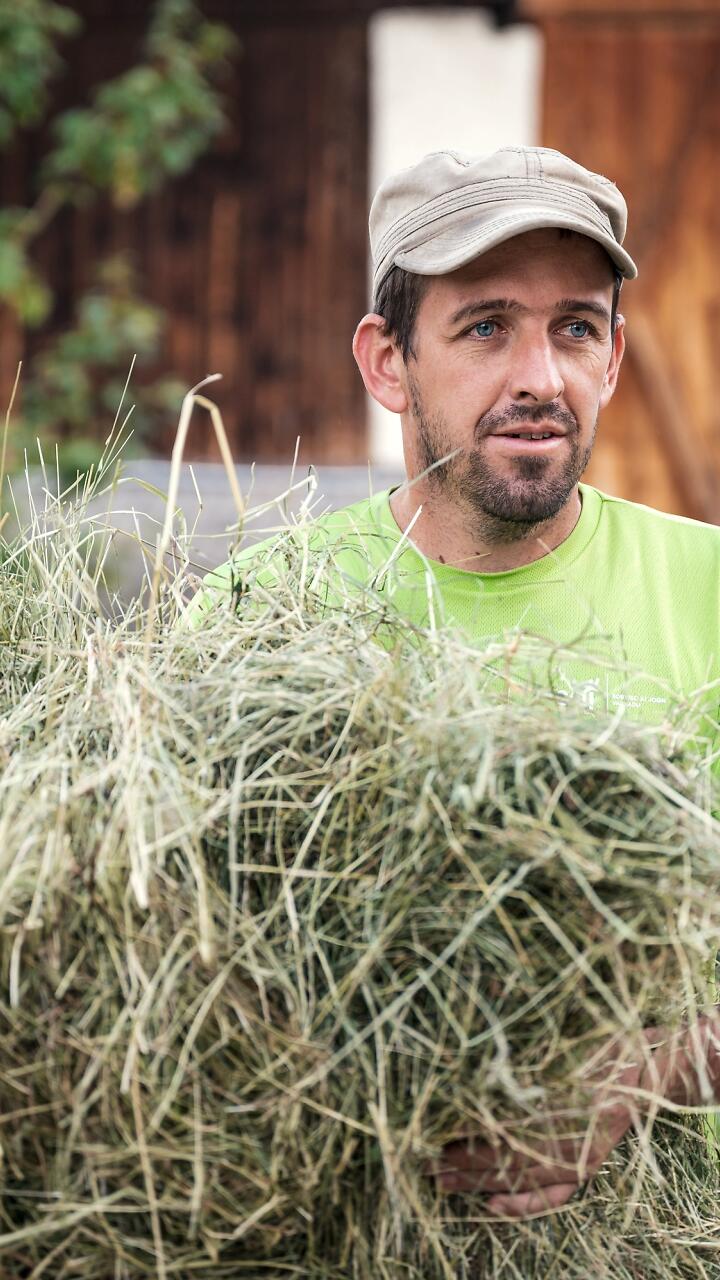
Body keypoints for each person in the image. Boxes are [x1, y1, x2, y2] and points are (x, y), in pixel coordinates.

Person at [190, 145, 720, 1216]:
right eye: (486, 327)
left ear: (614, 357)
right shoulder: (260, 612)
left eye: (575, 328)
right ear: (388, 362)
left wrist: (638, 1075)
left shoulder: (705, 590)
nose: (541, 379)